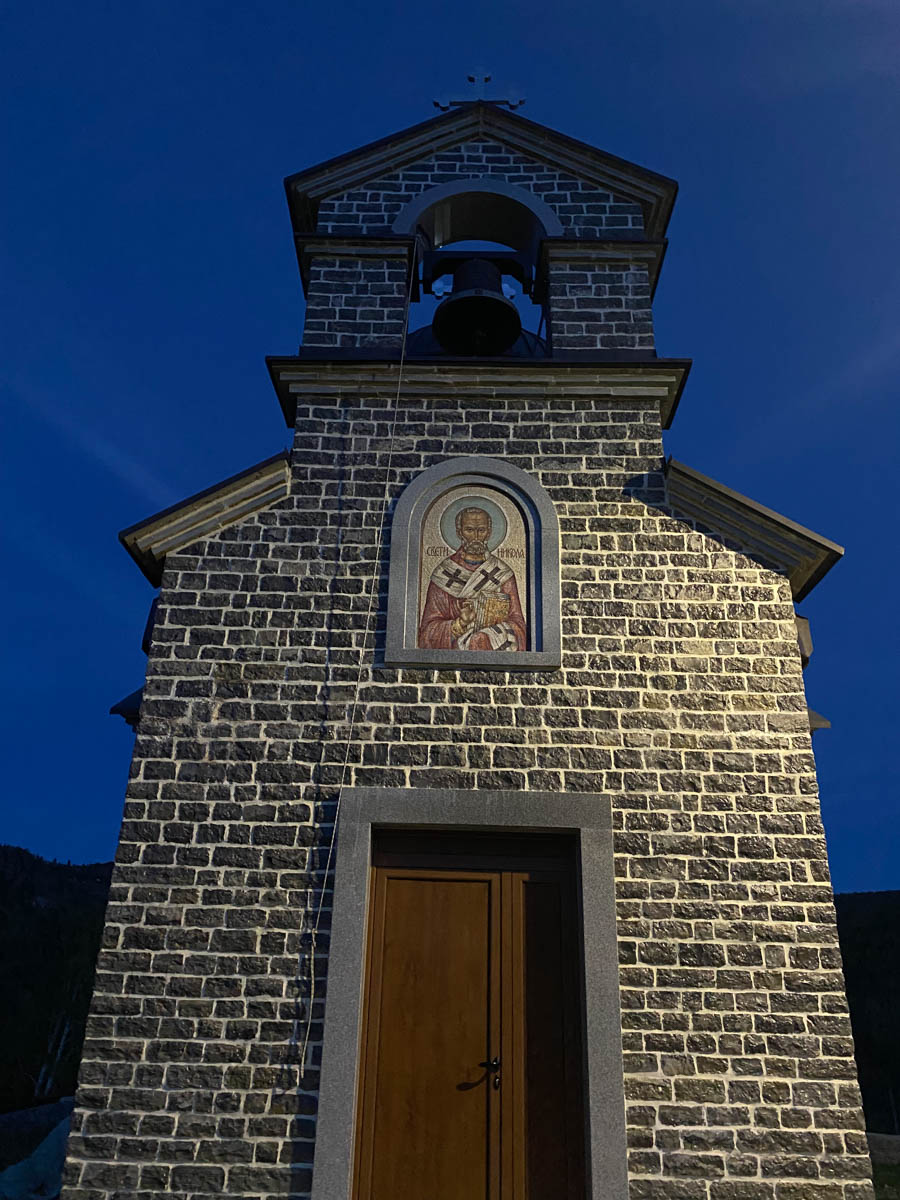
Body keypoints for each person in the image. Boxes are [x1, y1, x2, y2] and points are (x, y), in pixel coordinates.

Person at [418, 506, 526, 651]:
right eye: (469, 530)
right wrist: (460, 624)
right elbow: (427, 633)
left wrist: (490, 629)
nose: (475, 537)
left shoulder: (502, 574)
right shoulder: (443, 574)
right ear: (459, 532)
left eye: (481, 530)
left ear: (489, 533)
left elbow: (519, 627)